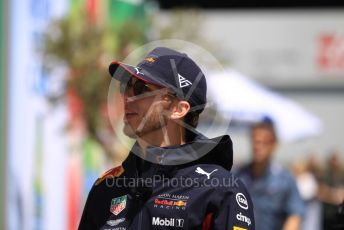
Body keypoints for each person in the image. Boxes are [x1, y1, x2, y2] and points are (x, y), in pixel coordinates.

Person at [78, 47, 255, 229]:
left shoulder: (220, 190)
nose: (127, 97)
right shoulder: (107, 187)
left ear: (178, 109)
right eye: (127, 86)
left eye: (141, 88)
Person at [236, 121, 304, 230]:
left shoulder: (284, 179)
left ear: (273, 145)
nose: (257, 146)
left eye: (264, 142)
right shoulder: (238, 175)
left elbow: (295, 215)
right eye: (255, 141)